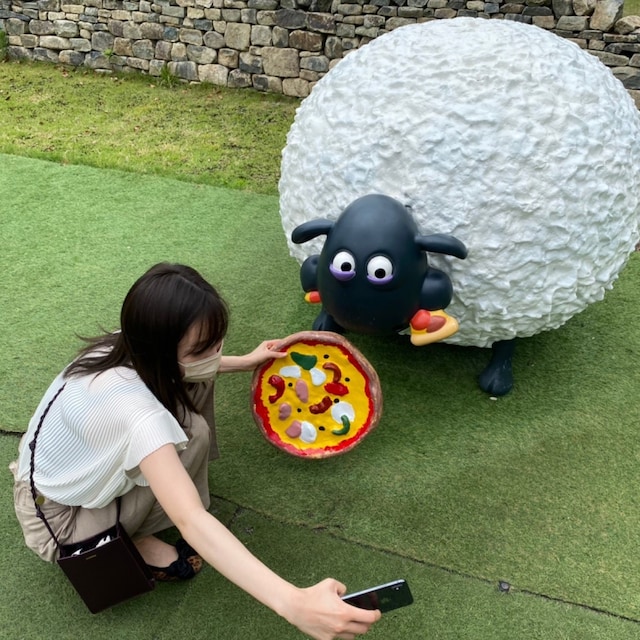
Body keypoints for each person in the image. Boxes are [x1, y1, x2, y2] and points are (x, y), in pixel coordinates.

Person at [10, 262, 380, 640]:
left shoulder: (131, 341)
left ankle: (151, 504)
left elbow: (190, 369)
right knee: (186, 456)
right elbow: (190, 519)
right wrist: (293, 603)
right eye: (204, 348)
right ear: (161, 349)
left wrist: (244, 361)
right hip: (58, 520)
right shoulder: (139, 417)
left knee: (194, 427)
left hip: (57, 468)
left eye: (217, 341)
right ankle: (134, 536)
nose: (216, 353)